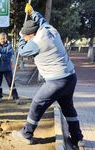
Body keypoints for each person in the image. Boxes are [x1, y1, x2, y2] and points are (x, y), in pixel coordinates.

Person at [11, 3, 84, 148]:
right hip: (70, 78)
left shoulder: (37, 43)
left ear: (31, 35)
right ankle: (77, 138)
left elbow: (22, 51)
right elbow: (41, 19)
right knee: (68, 108)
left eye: (26, 37)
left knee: (37, 103)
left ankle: (26, 134)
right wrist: (32, 12)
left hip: (56, 81)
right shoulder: (49, 29)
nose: (26, 39)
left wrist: (20, 37)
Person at [0, 32, 20, 104]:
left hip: (7, 68)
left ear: (6, 38)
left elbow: (9, 56)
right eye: (1, 38)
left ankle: (15, 97)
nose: (3, 40)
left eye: (4, 38)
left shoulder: (9, 46)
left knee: (11, 84)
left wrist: (1, 56)